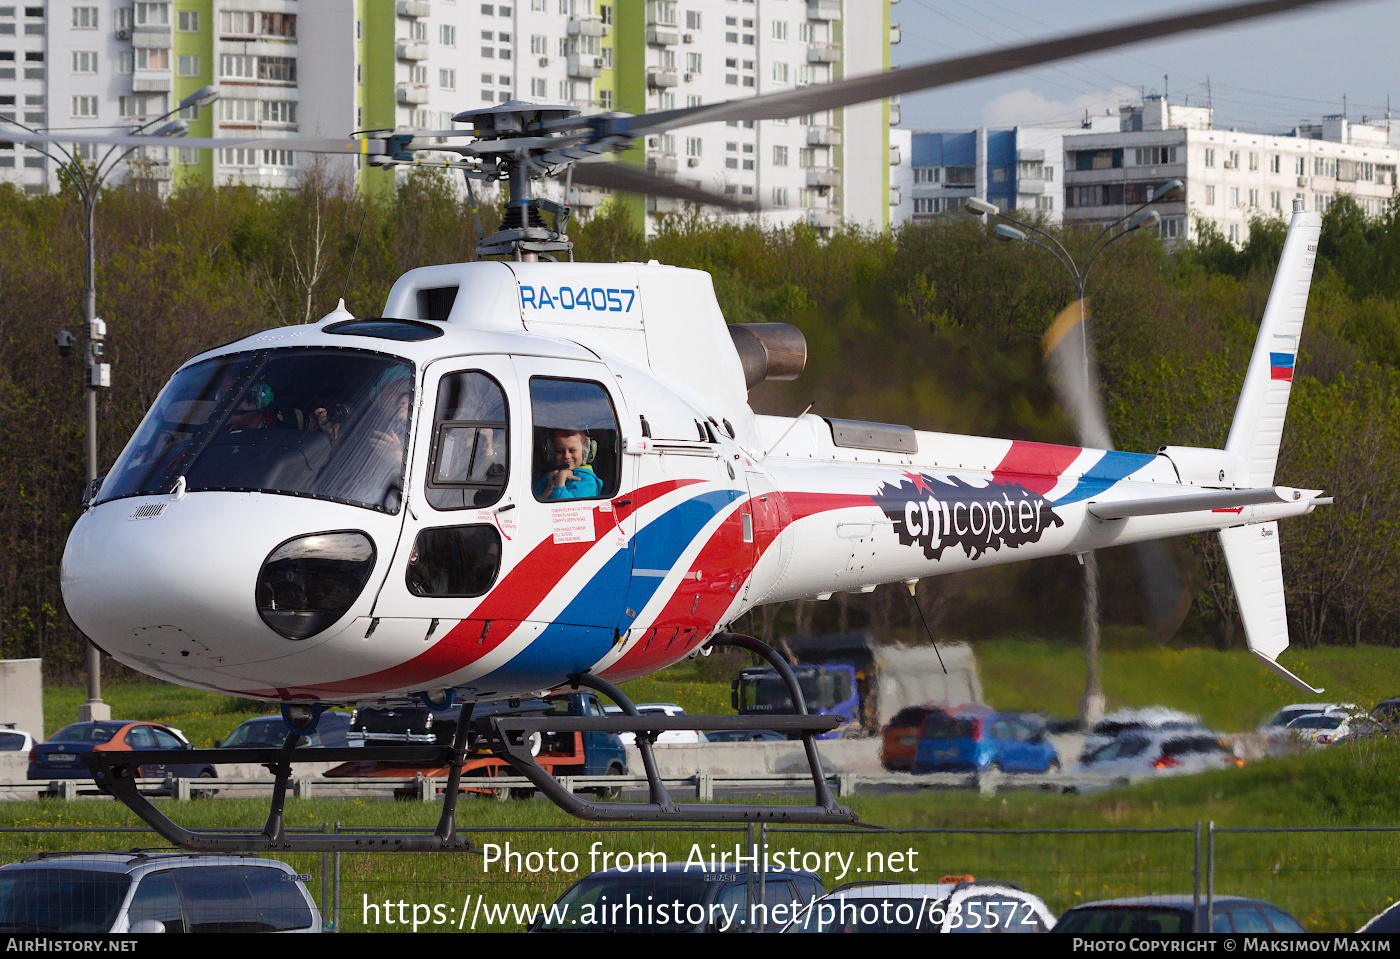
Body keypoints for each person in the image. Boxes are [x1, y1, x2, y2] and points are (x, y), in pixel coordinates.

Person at [535, 429, 602, 500]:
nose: (566, 456)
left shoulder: (587, 481)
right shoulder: (549, 476)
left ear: (585, 451)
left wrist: (560, 481)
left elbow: (565, 509)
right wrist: (549, 489)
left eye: (572, 450)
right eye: (559, 451)